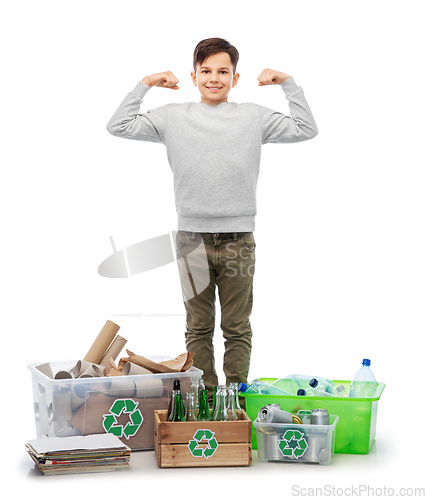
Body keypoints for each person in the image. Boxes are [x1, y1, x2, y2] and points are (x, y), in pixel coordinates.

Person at [106, 37, 318, 400]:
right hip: (192, 239)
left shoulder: (253, 116)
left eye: (223, 71)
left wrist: (288, 84)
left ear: (235, 78)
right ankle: (204, 399)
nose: (214, 78)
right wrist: (147, 84)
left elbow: (305, 128)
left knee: (236, 327)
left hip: (238, 239)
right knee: (198, 327)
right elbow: (118, 125)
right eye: (206, 71)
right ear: (194, 76)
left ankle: (235, 399)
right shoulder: (173, 116)